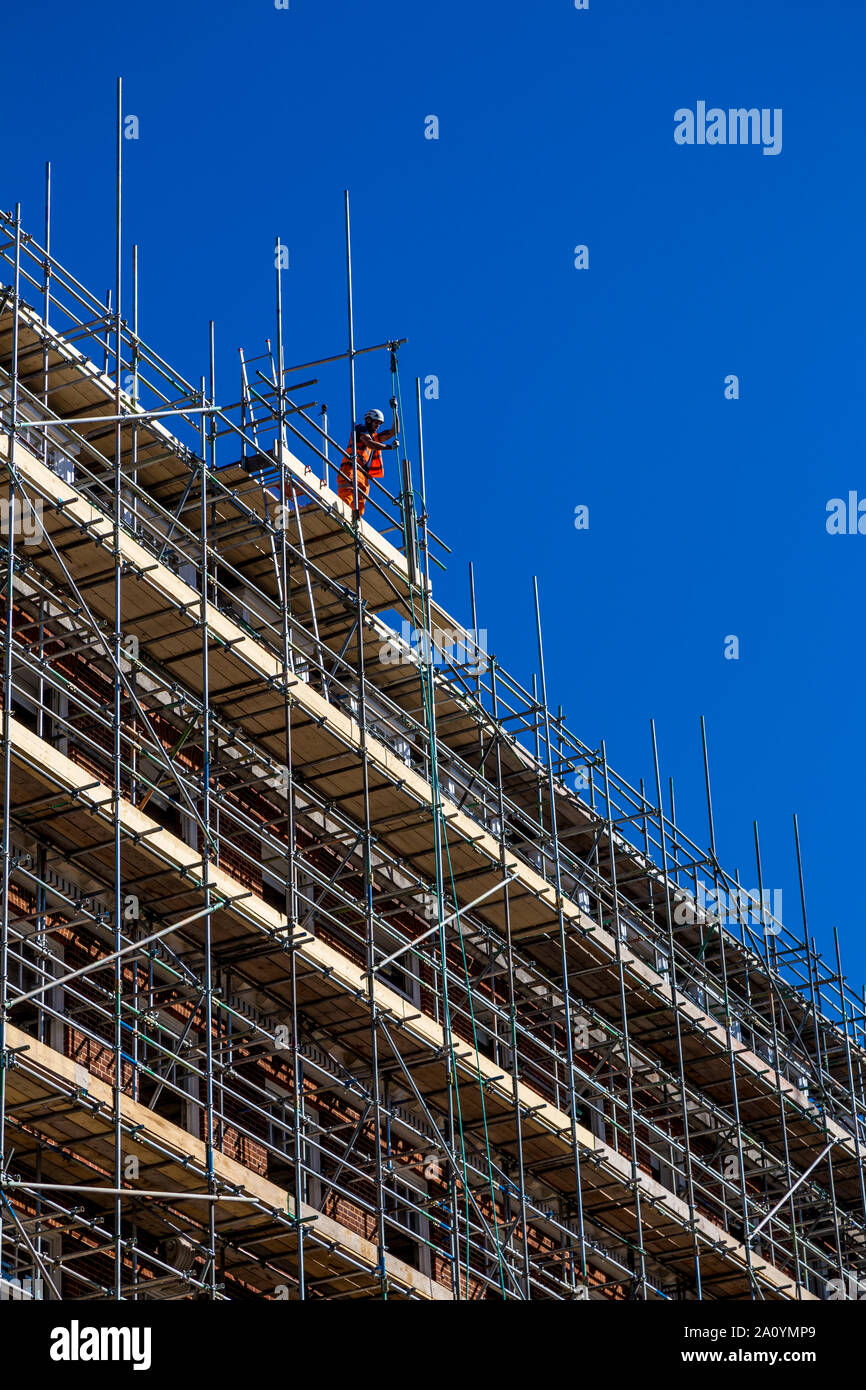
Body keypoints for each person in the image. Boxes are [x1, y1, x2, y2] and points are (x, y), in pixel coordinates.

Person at [337, 400, 399, 517]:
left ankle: (355, 526)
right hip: (351, 468)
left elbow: (394, 431)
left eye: (380, 424)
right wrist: (390, 447)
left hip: (363, 475)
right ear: (368, 420)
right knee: (347, 496)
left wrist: (395, 410)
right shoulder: (360, 429)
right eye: (376, 422)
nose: (378, 426)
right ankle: (339, 517)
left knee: (360, 505)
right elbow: (369, 443)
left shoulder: (376, 437)